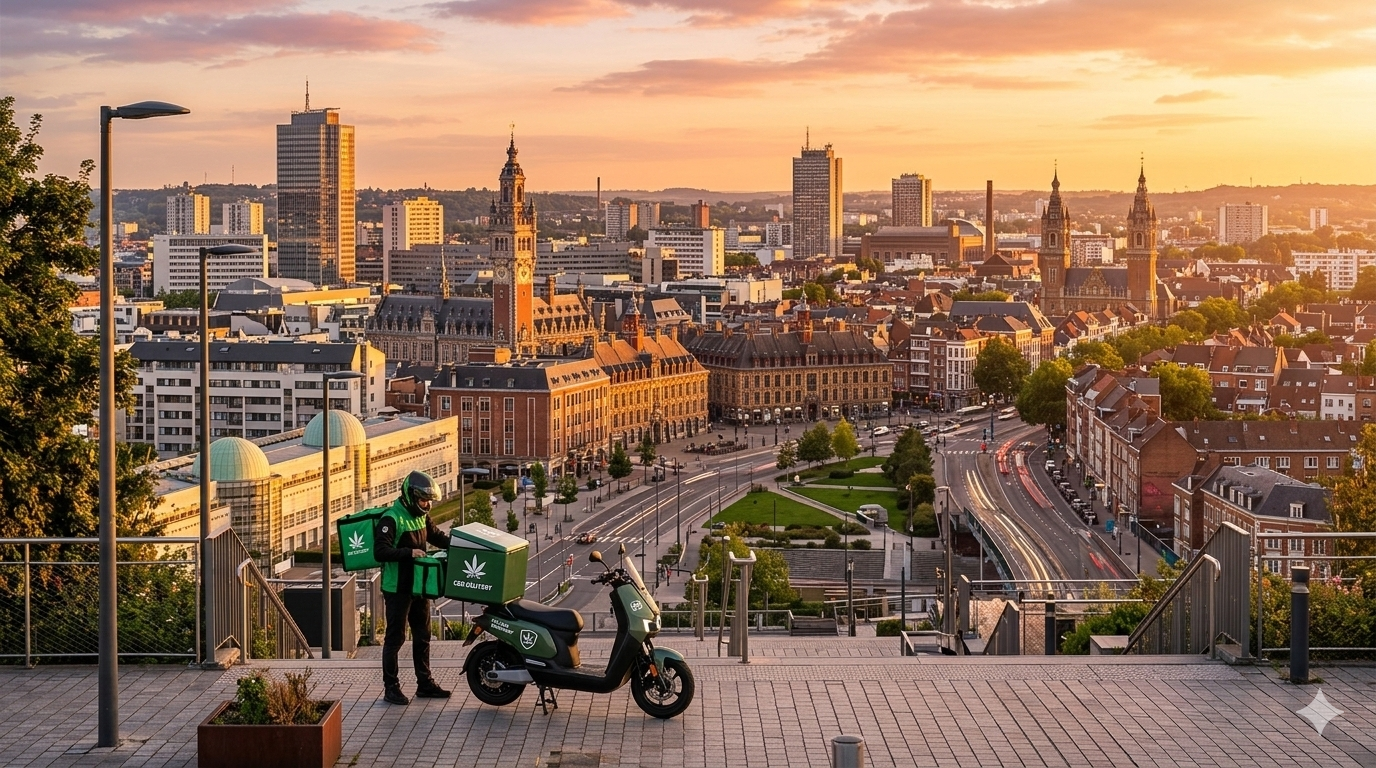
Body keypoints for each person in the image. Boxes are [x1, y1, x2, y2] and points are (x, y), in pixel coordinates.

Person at [375, 470, 451, 705]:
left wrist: (463, 545)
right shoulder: (391, 518)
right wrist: (409, 552)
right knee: (395, 638)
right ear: (410, 496)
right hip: (397, 588)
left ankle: (425, 684)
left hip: (419, 586)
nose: (427, 504)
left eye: (428, 500)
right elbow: (380, 551)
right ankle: (391, 688)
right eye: (423, 500)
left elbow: (437, 536)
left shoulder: (421, 517)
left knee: (423, 635)